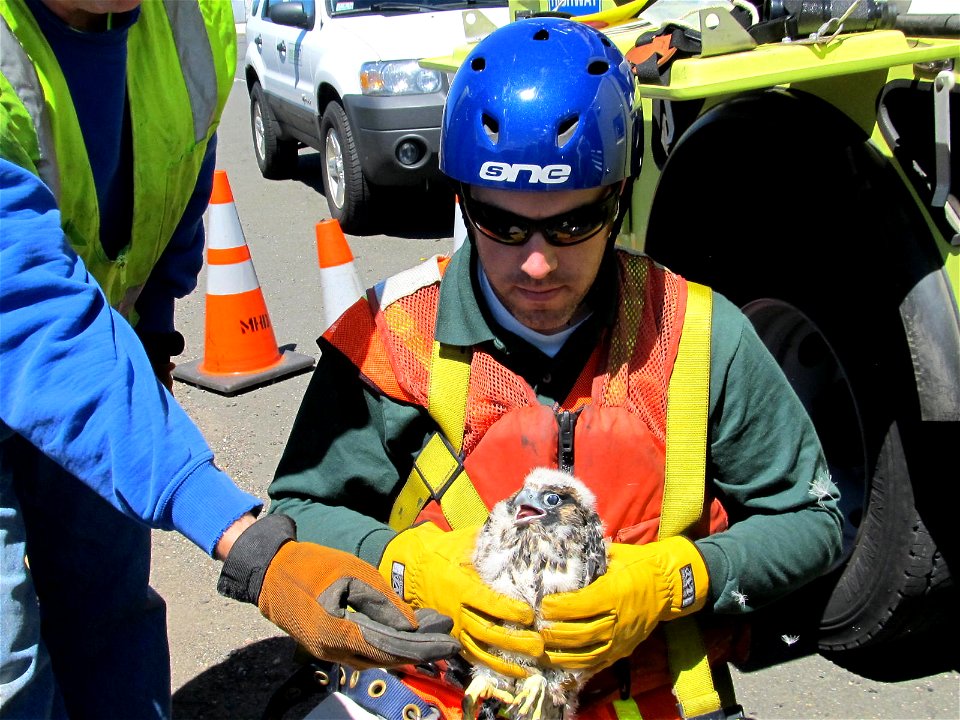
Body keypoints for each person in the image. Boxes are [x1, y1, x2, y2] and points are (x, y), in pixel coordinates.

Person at [266, 16, 843, 720]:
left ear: (620, 198)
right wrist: (412, 567)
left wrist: (677, 579)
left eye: (572, 224)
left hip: (653, 699)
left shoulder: (699, 335)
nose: (536, 262)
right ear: (463, 202)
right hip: (444, 696)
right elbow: (298, 515)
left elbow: (813, 520)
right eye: (503, 225)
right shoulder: (393, 337)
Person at [0, 1, 459, 719]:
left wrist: (152, 333)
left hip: (103, 354)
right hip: (38, 338)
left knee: (107, 609)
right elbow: (27, 310)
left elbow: (180, 166)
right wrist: (249, 543)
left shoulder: (188, 16)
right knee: (8, 665)